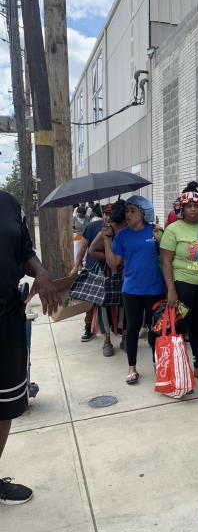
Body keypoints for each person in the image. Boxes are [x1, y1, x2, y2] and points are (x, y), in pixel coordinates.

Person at [0, 190, 61, 505]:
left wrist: (41, 271)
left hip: (7, 318)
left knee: (6, 405)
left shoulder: (9, 204)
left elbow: (25, 251)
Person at [160, 191, 198, 385]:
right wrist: (171, 289)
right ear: (182, 209)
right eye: (189, 206)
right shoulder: (173, 230)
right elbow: (166, 262)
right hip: (183, 285)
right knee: (179, 327)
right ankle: (177, 369)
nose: (193, 209)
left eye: (196, 206)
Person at [103, 196, 165, 383]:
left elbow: (167, 258)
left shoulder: (155, 231)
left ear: (143, 213)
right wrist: (106, 239)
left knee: (155, 329)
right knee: (132, 328)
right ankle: (132, 367)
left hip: (155, 289)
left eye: (132, 211)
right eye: (127, 211)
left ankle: (158, 365)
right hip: (131, 290)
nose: (128, 214)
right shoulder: (122, 236)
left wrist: (160, 241)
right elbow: (114, 263)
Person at [89, 200, 127, 356]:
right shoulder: (106, 231)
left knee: (125, 305)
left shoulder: (129, 229)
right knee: (104, 306)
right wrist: (111, 258)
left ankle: (125, 338)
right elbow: (92, 250)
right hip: (107, 274)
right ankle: (107, 341)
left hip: (125, 274)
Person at [70, 204, 112, 341]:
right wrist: (76, 266)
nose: (108, 217)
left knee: (109, 302)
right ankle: (88, 327)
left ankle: (110, 330)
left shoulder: (119, 228)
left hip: (111, 269)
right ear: (102, 214)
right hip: (92, 269)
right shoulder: (92, 226)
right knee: (90, 301)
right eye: (106, 213)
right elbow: (82, 248)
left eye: (111, 214)